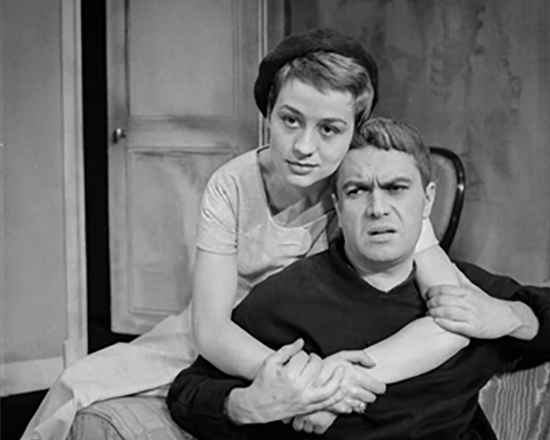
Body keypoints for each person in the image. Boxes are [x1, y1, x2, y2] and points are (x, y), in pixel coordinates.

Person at [22, 28, 462, 440]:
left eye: (329, 129)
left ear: (354, 130)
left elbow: (453, 301)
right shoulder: (230, 186)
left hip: (314, 339)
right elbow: (211, 328)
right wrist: (293, 382)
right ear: (268, 115)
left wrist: (495, 313)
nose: (304, 146)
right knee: (75, 385)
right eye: (291, 120)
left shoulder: (362, 186)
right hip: (230, 336)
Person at [166, 117, 550, 440]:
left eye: (395, 188)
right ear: (337, 204)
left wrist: (507, 316)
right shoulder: (286, 298)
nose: (378, 208)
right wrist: (246, 405)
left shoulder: (466, 292)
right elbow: (188, 391)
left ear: (427, 200)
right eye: (357, 191)